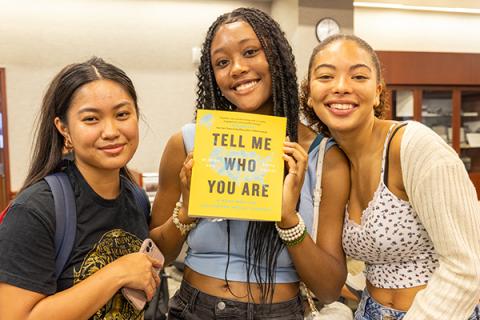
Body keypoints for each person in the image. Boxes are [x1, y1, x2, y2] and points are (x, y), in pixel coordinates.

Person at [149, 7, 350, 319]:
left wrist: (287, 219)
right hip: (195, 309)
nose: (237, 68)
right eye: (222, 62)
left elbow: (327, 289)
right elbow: (158, 255)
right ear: (212, 77)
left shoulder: (325, 157)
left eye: (250, 52)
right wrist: (187, 212)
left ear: (278, 57)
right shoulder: (187, 145)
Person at [300, 33, 480, 320]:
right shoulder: (334, 160)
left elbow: (467, 267)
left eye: (358, 77)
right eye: (326, 77)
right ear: (310, 94)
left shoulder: (416, 147)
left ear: (377, 92)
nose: (341, 87)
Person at [0, 57, 163, 319]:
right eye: (91, 119)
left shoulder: (136, 198)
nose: (111, 131)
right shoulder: (34, 210)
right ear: (64, 129)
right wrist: (117, 272)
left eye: (122, 114)